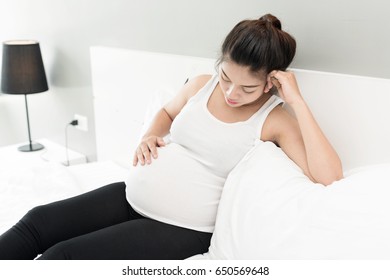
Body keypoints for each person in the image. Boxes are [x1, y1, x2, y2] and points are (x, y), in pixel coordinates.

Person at [0, 14, 343, 260]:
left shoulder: (274, 118)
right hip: (130, 197)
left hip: (179, 228)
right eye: (225, 77)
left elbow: (329, 176)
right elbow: (166, 113)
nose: (231, 93)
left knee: (63, 258)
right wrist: (149, 136)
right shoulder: (199, 85)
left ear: (271, 81)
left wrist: (296, 100)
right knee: (36, 223)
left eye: (247, 87)